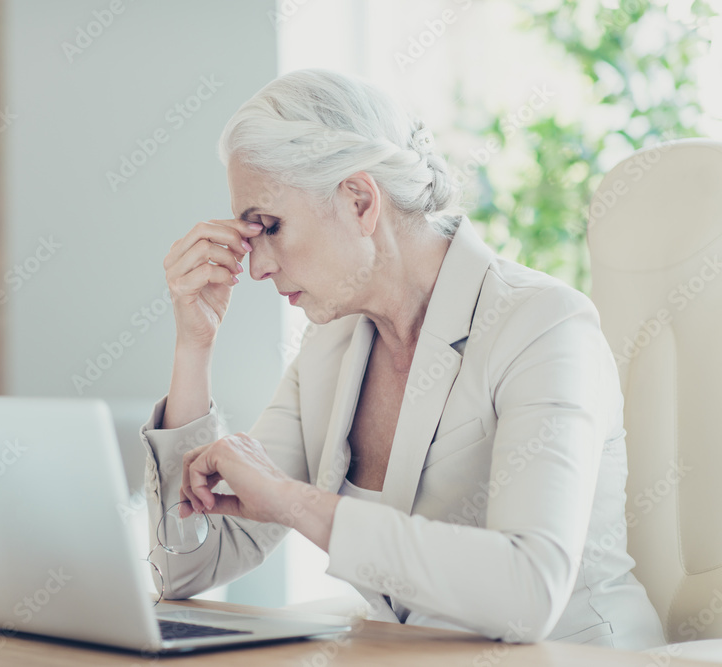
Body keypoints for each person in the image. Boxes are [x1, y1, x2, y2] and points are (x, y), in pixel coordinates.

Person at [138, 68, 665, 649]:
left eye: (270, 226)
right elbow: (187, 569)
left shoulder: (543, 325)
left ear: (360, 200)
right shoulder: (332, 350)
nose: (256, 267)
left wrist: (291, 501)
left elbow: (529, 591)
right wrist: (195, 344)